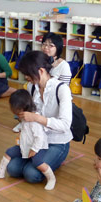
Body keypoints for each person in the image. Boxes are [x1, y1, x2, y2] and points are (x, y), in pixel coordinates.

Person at [6, 51, 72, 184]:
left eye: (28, 74)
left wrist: (36, 118)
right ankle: (38, 162)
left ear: (41, 71)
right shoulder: (31, 87)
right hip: (36, 139)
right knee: (12, 169)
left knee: (31, 174)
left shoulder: (61, 89)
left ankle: (53, 160)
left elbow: (65, 125)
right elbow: (28, 115)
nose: (26, 77)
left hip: (57, 142)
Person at [0, 89, 56, 190]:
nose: (14, 112)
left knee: (37, 162)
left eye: (15, 110)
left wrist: (34, 149)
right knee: (9, 152)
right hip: (25, 146)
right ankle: (1, 173)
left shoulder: (33, 120)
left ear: (22, 107)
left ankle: (51, 178)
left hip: (38, 147)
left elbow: (39, 137)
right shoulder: (24, 117)